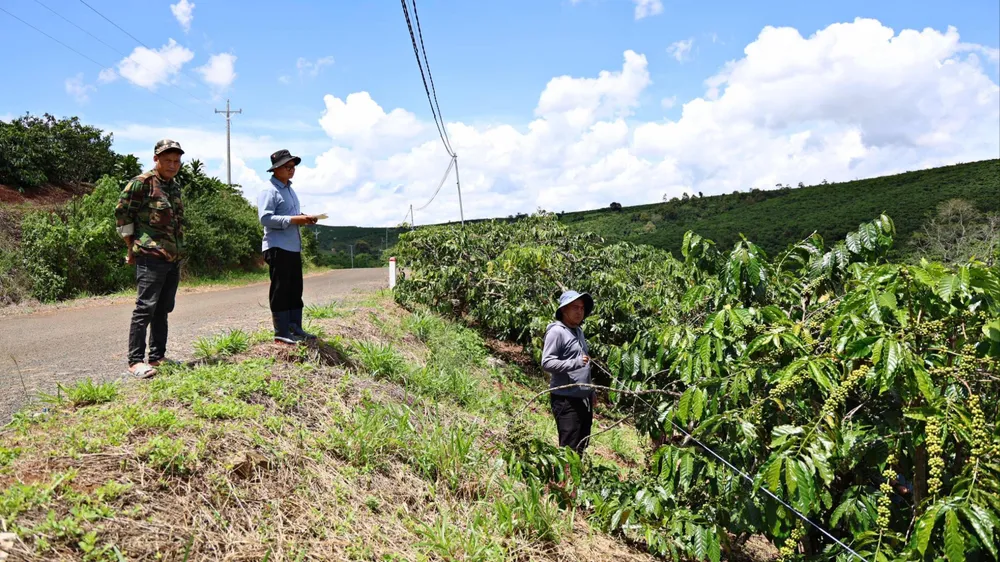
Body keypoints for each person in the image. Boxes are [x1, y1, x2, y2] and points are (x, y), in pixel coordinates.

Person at [114, 139, 186, 378]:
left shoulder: (174, 187)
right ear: (156, 159)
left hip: (172, 256)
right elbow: (123, 215)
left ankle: (157, 358)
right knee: (145, 308)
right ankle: (135, 361)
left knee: (163, 308)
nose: (173, 165)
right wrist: (131, 246)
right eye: (168, 160)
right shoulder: (141, 184)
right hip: (149, 254)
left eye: (176, 161)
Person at [257, 149, 319, 344]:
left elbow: (291, 215)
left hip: (292, 247)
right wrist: (294, 219)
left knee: (295, 288)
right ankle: (281, 331)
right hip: (277, 247)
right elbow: (265, 219)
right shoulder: (269, 190)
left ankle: (295, 327)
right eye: (287, 167)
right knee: (281, 289)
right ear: (276, 169)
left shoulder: (289, 189)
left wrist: (305, 218)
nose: (291, 170)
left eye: (293, 167)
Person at [542, 290, 596, 455]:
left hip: (582, 399)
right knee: (569, 447)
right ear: (564, 310)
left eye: (581, 308)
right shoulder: (557, 332)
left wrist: (590, 390)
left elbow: (584, 366)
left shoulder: (578, 332)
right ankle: (562, 480)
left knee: (581, 444)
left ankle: (575, 479)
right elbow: (547, 362)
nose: (579, 311)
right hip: (566, 399)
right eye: (575, 307)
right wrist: (575, 363)